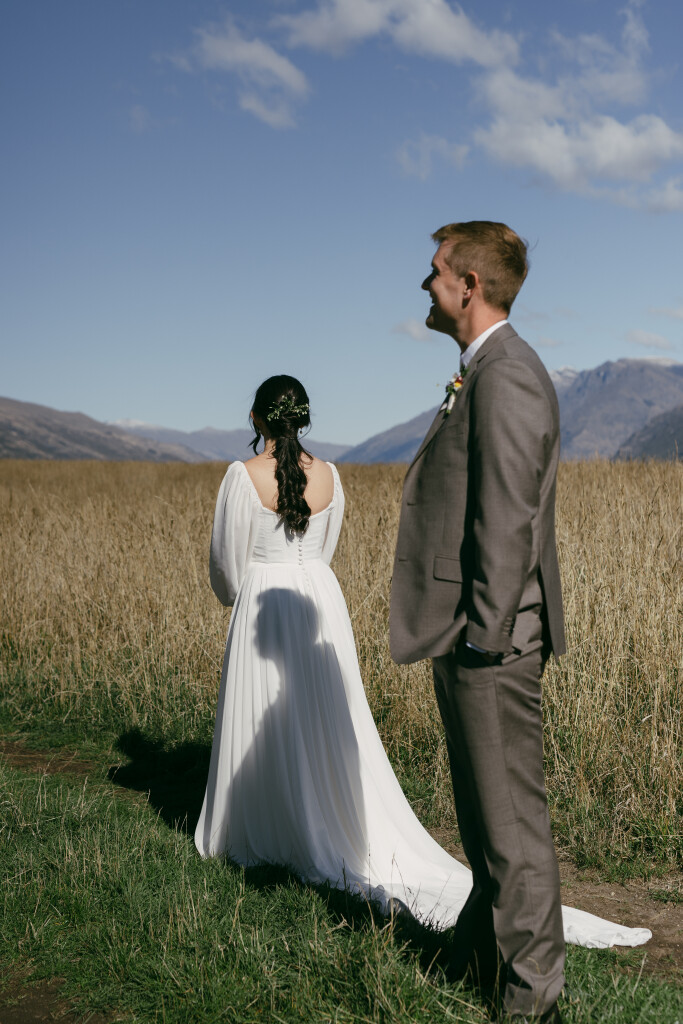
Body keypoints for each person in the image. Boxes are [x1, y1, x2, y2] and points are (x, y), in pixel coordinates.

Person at [195, 374, 649, 997]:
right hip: (321, 604)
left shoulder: (240, 477)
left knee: (264, 717)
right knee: (324, 718)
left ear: (256, 417)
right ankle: (322, 814)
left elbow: (226, 565)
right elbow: (325, 549)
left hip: (264, 604)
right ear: (304, 416)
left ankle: (274, 820)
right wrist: (307, 580)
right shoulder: (332, 476)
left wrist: (241, 594)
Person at [389, 221, 571, 1021]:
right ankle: (480, 954)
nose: (423, 284)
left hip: (490, 638)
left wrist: (482, 638)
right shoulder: (484, 370)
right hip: (468, 629)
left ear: (468, 286)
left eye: (435, 271)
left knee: (511, 825)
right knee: (483, 815)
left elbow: (506, 520)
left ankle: (533, 999)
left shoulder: (507, 375)